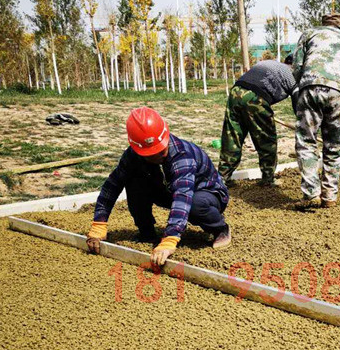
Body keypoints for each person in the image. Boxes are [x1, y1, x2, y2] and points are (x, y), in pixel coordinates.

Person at [86, 107, 231, 265]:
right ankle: (146, 233)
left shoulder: (182, 155)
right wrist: (99, 223)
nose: (158, 155)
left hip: (207, 193)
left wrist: (170, 239)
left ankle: (220, 229)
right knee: (133, 181)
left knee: (195, 204)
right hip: (169, 190)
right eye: (151, 154)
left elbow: (183, 196)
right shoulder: (133, 155)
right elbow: (112, 186)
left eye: (161, 150)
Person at [292, 13, 340, 209]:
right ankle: (329, 196)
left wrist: (299, 91)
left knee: (306, 141)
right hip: (338, 92)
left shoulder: (309, 34)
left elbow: (296, 67)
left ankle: (311, 193)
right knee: (334, 145)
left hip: (311, 88)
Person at [219, 55, 298, 188]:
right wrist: (302, 122)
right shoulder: (292, 75)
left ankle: (222, 178)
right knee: (266, 140)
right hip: (256, 98)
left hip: (236, 91)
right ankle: (268, 179)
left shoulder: (269, 63)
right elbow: (298, 103)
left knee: (232, 137)